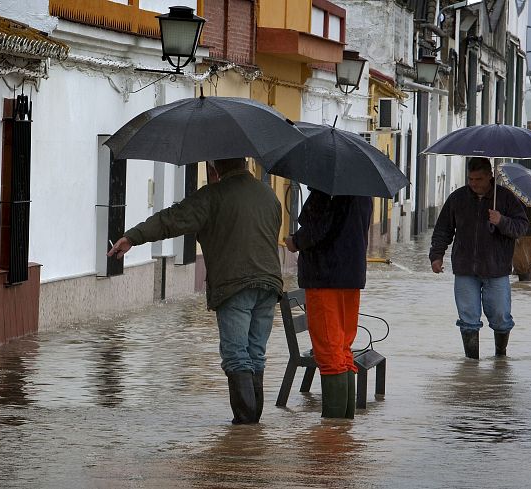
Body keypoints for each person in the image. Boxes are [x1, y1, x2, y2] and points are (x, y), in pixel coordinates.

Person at [108, 158, 283, 424]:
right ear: (246, 162)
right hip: (270, 285)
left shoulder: (213, 196)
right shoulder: (268, 194)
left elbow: (172, 219)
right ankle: (253, 433)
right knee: (255, 353)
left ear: (214, 168)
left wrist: (133, 236)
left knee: (236, 355)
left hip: (234, 286)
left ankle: (245, 429)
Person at [429, 157, 528, 359]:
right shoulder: (457, 198)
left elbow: (521, 228)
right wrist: (436, 256)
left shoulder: (507, 198)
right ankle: (471, 364)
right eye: (471, 179)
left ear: (490, 176)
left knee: (501, 317)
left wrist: (502, 221)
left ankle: (500, 359)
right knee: (468, 319)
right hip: (465, 268)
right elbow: (443, 230)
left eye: (479, 179)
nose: (474, 184)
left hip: (497, 269)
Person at [285, 191, 373, 419]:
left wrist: (295, 242)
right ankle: (344, 427)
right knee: (343, 346)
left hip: (324, 277)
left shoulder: (327, 193)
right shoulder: (363, 193)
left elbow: (318, 228)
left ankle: (332, 432)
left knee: (328, 349)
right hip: (351, 278)